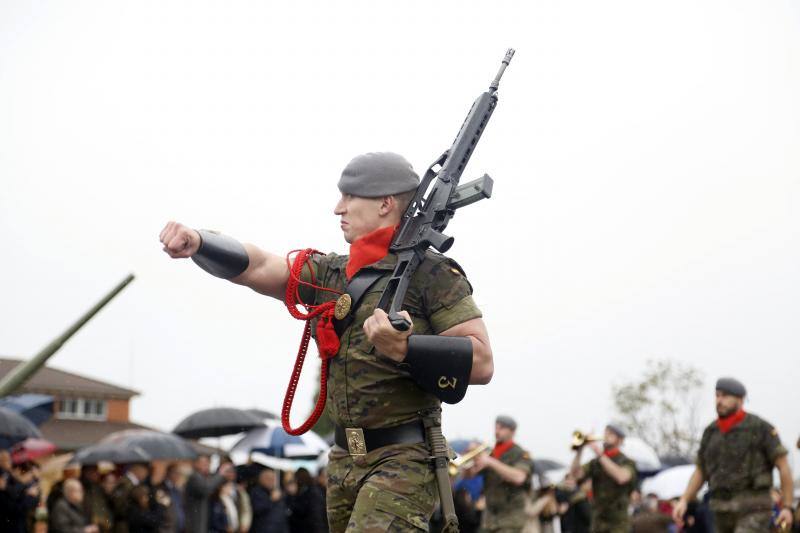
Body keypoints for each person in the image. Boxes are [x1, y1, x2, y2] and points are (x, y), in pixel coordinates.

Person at [159, 151, 494, 531]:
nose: (339, 208)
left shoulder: (433, 273)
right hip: (342, 460)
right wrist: (200, 242)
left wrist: (405, 347)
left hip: (403, 458)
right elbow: (258, 265)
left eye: (350, 197)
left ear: (385, 203)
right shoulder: (332, 273)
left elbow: (481, 361)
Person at [672, 377, 794, 532]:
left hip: (754, 508)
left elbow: (783, 466)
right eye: (717, 395)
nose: (720, 400)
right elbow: (701, 470)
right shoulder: (711, 432)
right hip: (721, 510)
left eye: (725, 396)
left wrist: (787, 506)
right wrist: (684, 500)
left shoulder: (760, 428)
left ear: (740, 400)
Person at [464, 415, 532, 532]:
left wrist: (491, 462)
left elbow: (519, 477)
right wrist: (471, 457)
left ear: (512, 431)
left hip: (510, 519)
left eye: (501, 428)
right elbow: (469, 475)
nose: (497, 431)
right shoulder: (490, 452)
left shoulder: (520, 453)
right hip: (488, 519)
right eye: (496, 427)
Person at [569, 424, 637, 533]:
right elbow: (575, 474)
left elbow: (622, 477)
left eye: (611, 433)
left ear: (620, 440)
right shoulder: (596, 463)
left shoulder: (626, 461)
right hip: (598, 522)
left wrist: (598, 453)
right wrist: (579, 451)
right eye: (606, 432)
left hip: (618, 523)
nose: (606, 435)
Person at [184, 456, 233, 533]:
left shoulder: (206, 477)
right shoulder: (194, 477)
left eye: (208, 464)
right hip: (195, 522)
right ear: (196, 464)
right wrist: (220, 473)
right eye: (204, 464)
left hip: (204, 522)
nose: (207, 466)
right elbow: (206, 488)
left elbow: (215, 486)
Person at [248, 468, 288, 533]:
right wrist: (271, 500)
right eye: (268, 479)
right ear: (261, 479)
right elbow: (257, 509)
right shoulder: (256, 492)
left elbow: (283, 514)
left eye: (273, 479)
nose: (271, 481)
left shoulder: (278, 491)